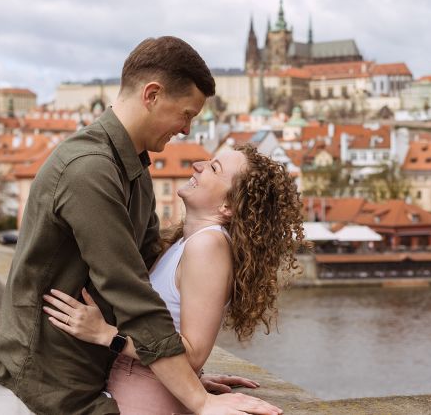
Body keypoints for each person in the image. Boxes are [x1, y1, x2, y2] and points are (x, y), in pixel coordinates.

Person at [0, 36, 283, 415]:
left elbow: (147, 273)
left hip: (77, 390)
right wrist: (198, 400)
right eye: (186, 114)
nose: (187, 130)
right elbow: (132, 294)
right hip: (38, 393)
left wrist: (180, 377)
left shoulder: (133, 170)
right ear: (152, 95)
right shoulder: (91, 169)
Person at [43, 143, 307, 413]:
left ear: (228, 205)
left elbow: (192, 354)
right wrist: (195, 381)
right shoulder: (188, 241)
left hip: (147, 400)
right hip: (149, 391)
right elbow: (176, 332)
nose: (198, 166)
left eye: (213, 168)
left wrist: (107, 335)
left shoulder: (207, 246)